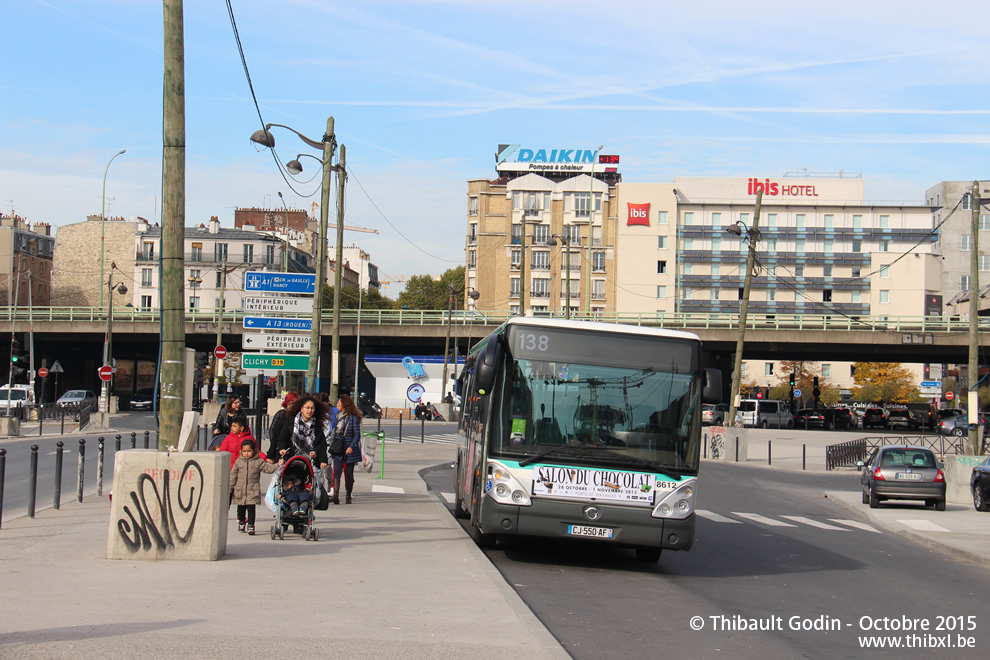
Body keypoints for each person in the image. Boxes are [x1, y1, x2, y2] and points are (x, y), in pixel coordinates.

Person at [229, 439, 280, 535]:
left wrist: (277, 465)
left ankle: (251, 525)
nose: (246, 453)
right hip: (240, 490)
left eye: (249, 451)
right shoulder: (238, 462)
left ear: (254, 451)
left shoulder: (258, 461)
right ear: (241, 451)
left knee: (251, 508)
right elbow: (233, 476)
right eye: (244, 451)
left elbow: (268, 469)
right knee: (241, 508)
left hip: (252, 490)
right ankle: (242, 522)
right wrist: (230, 489)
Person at [276, 394, 329, 470]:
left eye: (312, 408)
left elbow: (322, 443)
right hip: (292, 460)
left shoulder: (317, 425)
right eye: (307, 408)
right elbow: (282, 439)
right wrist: (282, 449)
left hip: (311, 462)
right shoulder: (291, 422)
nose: (309, 411)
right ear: (302, 408)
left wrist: (318, 454)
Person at [330, 393, 363, 504]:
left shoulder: (352, 418)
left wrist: (351, 446)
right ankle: (336, 495)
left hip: (349, 449)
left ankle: (348, 494)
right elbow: (334, 432)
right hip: (338, 448)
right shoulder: (337, 416)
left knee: (349, 474)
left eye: (339, 402)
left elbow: (357, 434)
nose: (337, 404)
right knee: (337, 471)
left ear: (344, 404)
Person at [267, 392, 299, 461]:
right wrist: (271, 454)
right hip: (282, 451)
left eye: (295, 403)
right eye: (291, 403)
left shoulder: (298, 417)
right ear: (286, 403)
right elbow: (274, 434)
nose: (293, 406)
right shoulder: (281, 415)